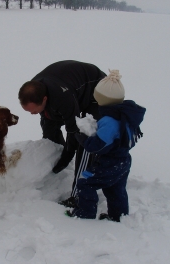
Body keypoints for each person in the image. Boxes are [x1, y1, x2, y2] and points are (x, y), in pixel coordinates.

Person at [18, 60, 107, 207]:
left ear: (44, 99)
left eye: (33, 110)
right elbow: (48, 124)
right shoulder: (34, 89)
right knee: (49, 125)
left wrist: (66, 157)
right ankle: (58, 162)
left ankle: (79, 196)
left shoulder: (63, 97)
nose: (32, 114)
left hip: (96, 90)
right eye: (28, 111)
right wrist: (56, 153)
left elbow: (74, 131)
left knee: (85, 138)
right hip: (70, 88)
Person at [65, 70, 146, 221]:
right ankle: (118, 216)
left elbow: (97, 146)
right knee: (115, 189)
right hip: (123, 160)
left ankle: (85, 214)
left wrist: (82, 137)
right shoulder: (124, 114)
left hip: (110, 162)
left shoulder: (109, 121)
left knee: (85, 182)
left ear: (99, 98)